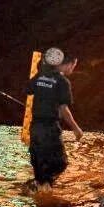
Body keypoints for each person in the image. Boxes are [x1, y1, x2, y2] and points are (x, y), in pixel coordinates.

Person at [27, 47, 83, 191]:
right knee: (60, 163)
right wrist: (76, 129)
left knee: (39, 161)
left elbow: (28, 90)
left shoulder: (38, 76)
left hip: (35, 127)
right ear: (68, 63)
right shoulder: (62, 81)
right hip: (50, 128)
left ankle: (40, 186)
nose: (73, 69)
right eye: (74, 66)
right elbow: (63, 109)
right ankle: (45, 186)